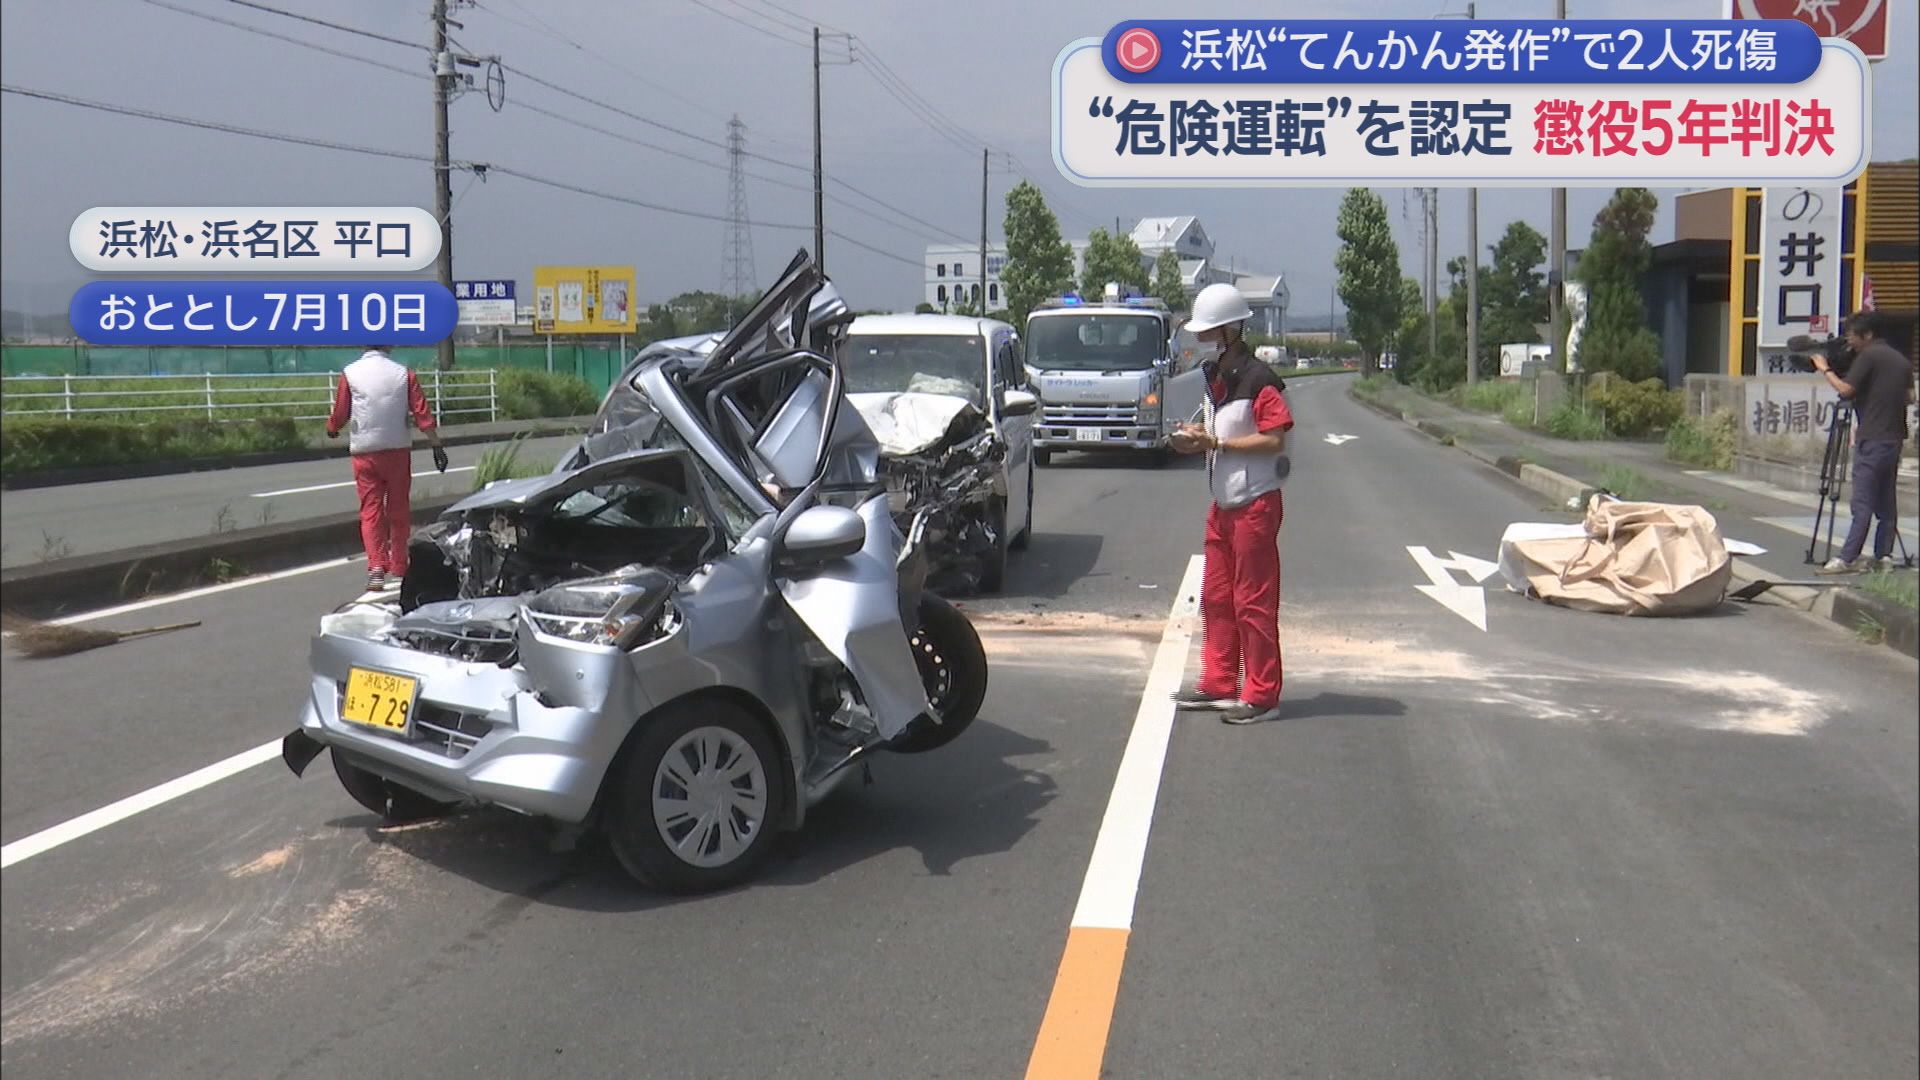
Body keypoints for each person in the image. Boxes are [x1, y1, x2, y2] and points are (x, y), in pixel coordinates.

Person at [1168, 283, 1293, 725]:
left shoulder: (1259, 380)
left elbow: (1276, 437)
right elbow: (1213, 432)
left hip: (1256, 502)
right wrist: (1193, 438)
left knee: (1253, 600)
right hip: (1223, 503)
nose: (1202, 337)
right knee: (1218, 596)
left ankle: (1261, 695)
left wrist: (1218, 441)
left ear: (1230, 330)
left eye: (1210, 330)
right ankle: (1220, 682)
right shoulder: (1215, 379)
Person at [326, 346, 449, 594]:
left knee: (371, 511)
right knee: (398, 510)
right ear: (388, 345)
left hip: (364, 451)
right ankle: (400, 566)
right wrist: (436, 446)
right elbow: (421, 413)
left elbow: (340, 413)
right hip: (397, 450)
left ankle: (376, 567)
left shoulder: (350, 373)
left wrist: (332, 427)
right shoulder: (404, 374)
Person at [1814, 312, 1915, 573]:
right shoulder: (1901, 359)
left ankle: (1847, 557)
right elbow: (1910, 397)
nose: (1849, 340)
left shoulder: (1868, 356)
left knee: (1863, 503)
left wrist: (1824, 368)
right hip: (1894, 439)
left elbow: (1846, 390)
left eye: (1852, 335)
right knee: (1886, 501)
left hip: (1872, 438)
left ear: (1867, 335)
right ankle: (1884, 556)